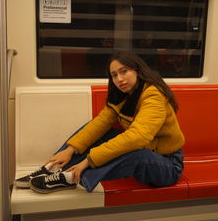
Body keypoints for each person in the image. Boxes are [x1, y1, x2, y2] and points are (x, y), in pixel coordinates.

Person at [14, 51, 185, 193]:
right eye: (114, 75)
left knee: (136, 151)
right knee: (98, 129)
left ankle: (70, 177)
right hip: (148, 149)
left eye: (124, 71)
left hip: (167, 165)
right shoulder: (125, 95)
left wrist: (88, 160)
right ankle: (52, 167)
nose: (119, 79)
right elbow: (100, 123)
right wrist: (70, 149)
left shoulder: (153, 95)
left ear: (137, 70)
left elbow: (138, 138)